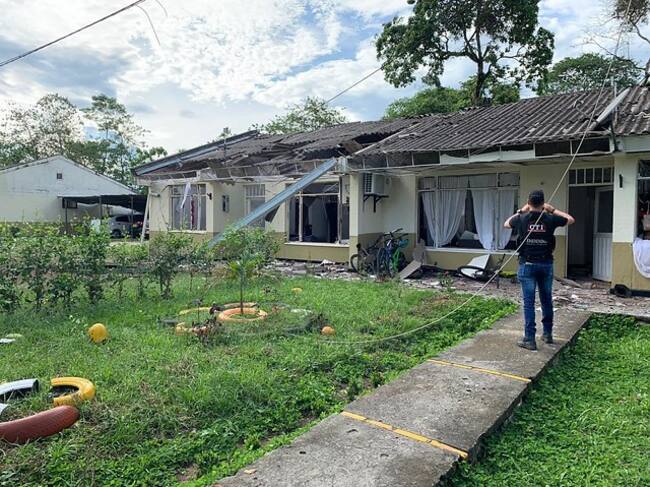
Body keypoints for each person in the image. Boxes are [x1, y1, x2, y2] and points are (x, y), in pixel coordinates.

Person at [504, 190, 575, 350]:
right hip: (546, 265)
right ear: (543, 203)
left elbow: (507, 224)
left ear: (529, 202)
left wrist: (522, 210)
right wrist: (552, 209)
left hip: (527, 265)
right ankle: (547, 334)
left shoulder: (521, 218)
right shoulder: (550, 218)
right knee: (546, 300)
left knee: (529, 303)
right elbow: (570, 219)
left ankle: (529, 339)